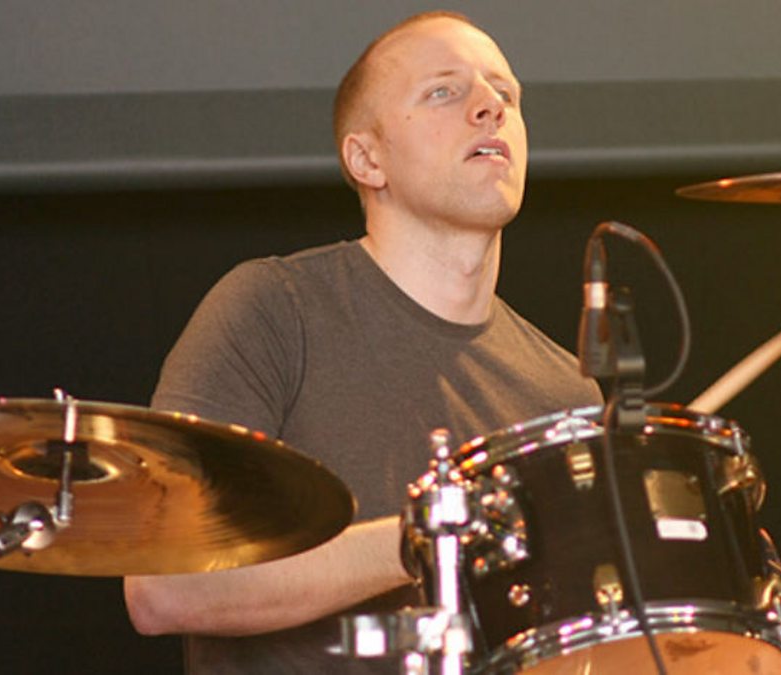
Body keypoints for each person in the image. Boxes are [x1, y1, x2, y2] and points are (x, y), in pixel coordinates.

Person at [122, 10, 602, 674]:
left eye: (506, 93)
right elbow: (164, 588)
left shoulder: (567, 392)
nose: (490, 107)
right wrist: (430, 533)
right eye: (444, 90)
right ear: (367, 159)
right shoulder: (274, 310)